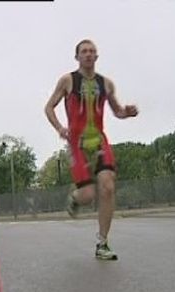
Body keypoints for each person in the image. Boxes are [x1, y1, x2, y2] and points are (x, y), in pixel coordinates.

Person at [44, 39, 139, 261]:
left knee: (107, 186)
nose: (88, 54)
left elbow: (117, 112)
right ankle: (76, 198)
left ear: (97, 57)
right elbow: (49, 107)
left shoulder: (106, 84)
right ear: (77, 57)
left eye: (92, 51)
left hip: (98, 141)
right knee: (88, 195)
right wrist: (60, 127)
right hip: (77, 143)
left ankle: (102, 243)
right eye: (84, 51)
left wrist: (128, 112)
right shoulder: (67, 80)